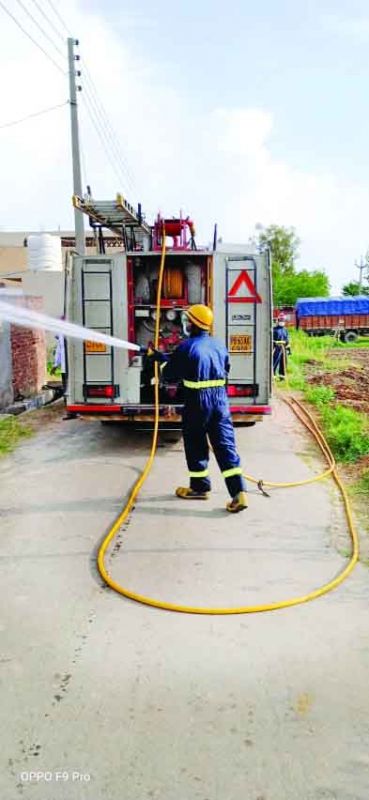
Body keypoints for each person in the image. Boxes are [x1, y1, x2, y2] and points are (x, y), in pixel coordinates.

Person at [146, 304, 248, 513]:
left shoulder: (186, 346)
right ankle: (239, 493)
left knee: (195, 444)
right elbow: (222, 367)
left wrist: (159, 361)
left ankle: (200, 488)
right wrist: (163, 357)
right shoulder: (218, 345)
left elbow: (172, 375)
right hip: (220, 401)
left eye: (188, 320)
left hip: (197, 402)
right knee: (225, 445)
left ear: (192, 324)